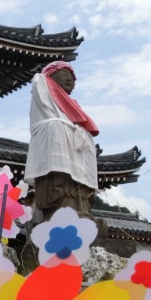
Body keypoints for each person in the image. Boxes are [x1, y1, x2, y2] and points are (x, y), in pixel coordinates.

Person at [24, 60, 99, 219]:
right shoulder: (43, 87)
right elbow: (39, 80)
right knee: (57, 127)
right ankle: (60, 205)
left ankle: (81, 205)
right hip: (51, 130)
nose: (70, 79)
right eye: (65, 73)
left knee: (85, 139)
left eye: (73, 77)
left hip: (67, 132)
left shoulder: (72, 104)